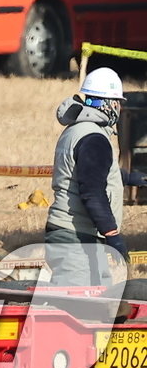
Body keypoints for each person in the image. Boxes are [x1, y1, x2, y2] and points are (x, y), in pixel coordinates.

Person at [45, 67, 134, 286]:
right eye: (117, 102)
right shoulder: (94, 137)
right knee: (77, 302)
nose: (119, 108)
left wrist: (127, 178)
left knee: (97, 298)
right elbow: (92, 192)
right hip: (76, 238)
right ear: (108, 104)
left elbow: (86, 172)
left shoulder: (77, 129)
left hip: (74, 234)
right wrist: (112, 234)